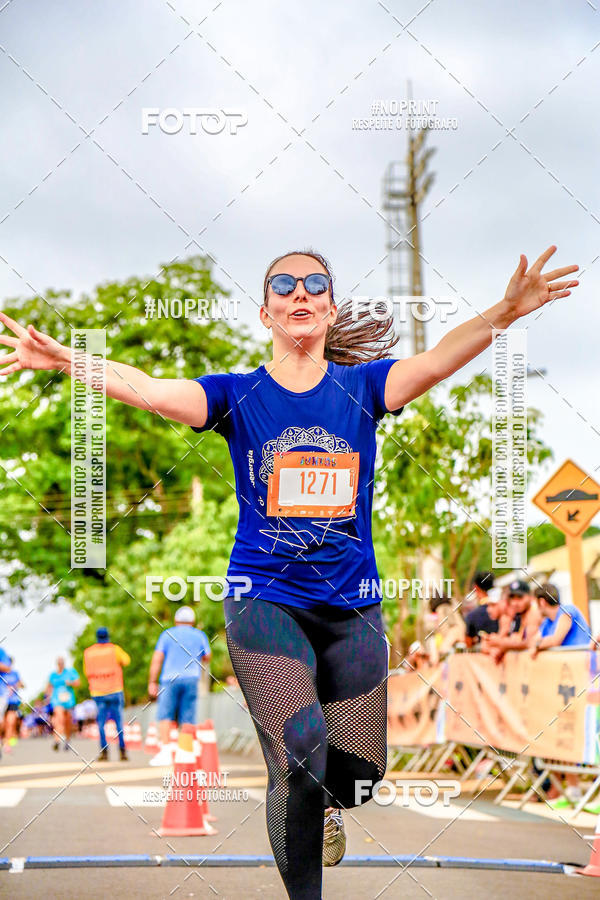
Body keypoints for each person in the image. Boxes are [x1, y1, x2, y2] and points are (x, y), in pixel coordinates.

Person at [0, 245, 579, 900]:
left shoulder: (364, 389)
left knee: (357, 777)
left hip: (351, 607)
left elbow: (439, 359)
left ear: (330, 309)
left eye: (314, 285)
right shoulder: (236, 395)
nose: (299, 292)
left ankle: (326, 800)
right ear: (266, 311)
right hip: (264, 600)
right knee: (300, 757)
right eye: (284, 284)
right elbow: (152, 391)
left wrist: (507, 309)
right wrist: (70, 361)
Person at [147, 606, 211, 766]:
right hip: (191, 678)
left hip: (169, 679)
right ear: (193, 621)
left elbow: (157, 659)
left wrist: (152, 682)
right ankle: (185, 751)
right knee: (187, 715)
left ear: (176, 620)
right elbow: (207, 657)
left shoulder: (167, 634)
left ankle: (166, 751)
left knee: (165, 714)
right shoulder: (199, 635)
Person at [83, 627, 131, 761]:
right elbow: (127, 661)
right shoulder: (114, 649)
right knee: (118, 722)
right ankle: (122, 751)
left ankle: (104, 752)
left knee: (101, 723)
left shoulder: (89, 653)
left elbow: (87, 672)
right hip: (115, 690)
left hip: (98, 692)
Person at [530, 583, 591, 654]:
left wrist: (537, 645)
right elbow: (532, 641)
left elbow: (555, 640)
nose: (534, 608)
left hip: (582, 661)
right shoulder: (547, 621)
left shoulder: (567, 611)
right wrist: (540, 643)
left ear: (542, 602)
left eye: (534, 603)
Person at [45, 657, 80, 752]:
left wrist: (71, 683)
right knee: (59, 719)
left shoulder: (70, 672)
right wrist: (47, 697)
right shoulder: (53, 675)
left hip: (69, 701)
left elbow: (78, 683)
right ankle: (57, 740)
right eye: (59, 663)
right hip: (57, 700)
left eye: (62, 663)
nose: (61, 664)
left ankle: (67, 740)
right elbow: (48, 687)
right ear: (57, 664)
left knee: (67, 721)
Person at [1, 658, 24, 752]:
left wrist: (15, 686)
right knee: (3, 723)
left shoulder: (15, 673)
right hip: (2, 701)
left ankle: (7, 744)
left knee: (11, 722)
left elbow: (21, 684)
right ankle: (2, 737)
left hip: (13, 701)